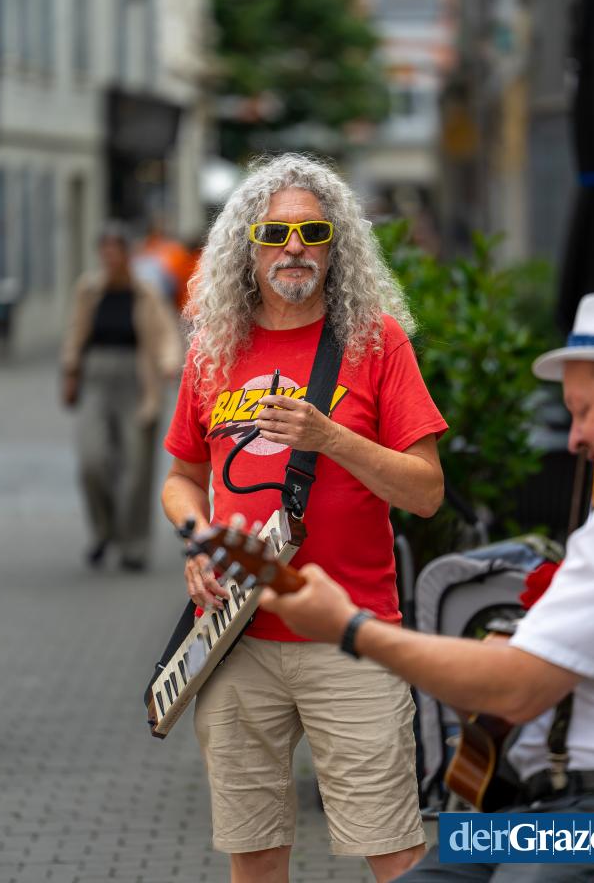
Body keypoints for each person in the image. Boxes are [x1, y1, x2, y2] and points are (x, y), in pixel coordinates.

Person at [261, 289, 594, 881]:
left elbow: (516, 690)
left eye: (583, 410)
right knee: (441, 862)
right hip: (573, 808)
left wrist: (349, 628)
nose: (574, 438)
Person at [160, 154, 448, 883]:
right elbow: (182, 478)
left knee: (394, 851)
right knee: (254, 855)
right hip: (235, 638)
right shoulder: (214, 348)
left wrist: (330, 438)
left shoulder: (376, 342)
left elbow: (425, 493)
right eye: (275, 233)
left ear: (334, 246)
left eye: (313, 232)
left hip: (351, 635)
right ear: (248, 246)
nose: (294, 247)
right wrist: (197, 540)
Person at [62, 223, 182, 570]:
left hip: (137, 380)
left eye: (116, 251)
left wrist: (169, 364)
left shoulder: (146, 292)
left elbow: (166, 332)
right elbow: (76, 331)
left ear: (128, 254)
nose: (110, 257)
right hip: (96, 377)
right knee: (92, 460)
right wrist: (70, 370)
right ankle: (104, 531)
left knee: (136, 466)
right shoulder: (89, 289)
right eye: (105, 251)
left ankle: (134, 544)